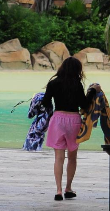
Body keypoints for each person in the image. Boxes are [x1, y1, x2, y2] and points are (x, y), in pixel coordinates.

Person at [41, 56, 96, 201]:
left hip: (58, 119)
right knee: (72, 157)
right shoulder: (77, 84)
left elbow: (45, 103)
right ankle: (68, 188)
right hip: (73, 120)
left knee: (59, 158)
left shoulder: (53, 83)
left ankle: (58, 191)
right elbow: (84, 104)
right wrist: (92, 91)